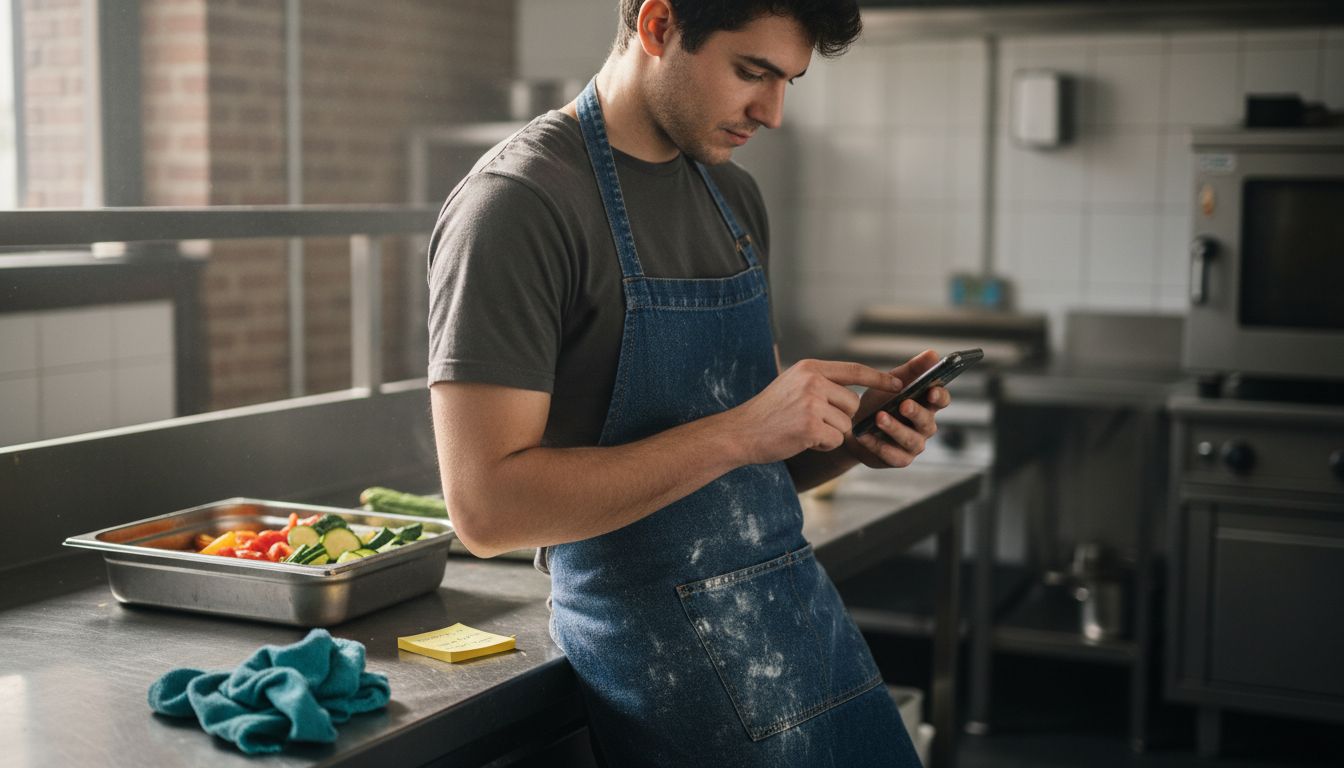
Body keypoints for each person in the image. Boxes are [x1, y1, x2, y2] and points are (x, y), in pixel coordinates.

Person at [427, 1, 950, 764]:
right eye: (752, 72)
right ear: (657, 25)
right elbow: (487, 510)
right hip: (659, 663)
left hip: (798, 625)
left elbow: (740, 475)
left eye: (788, 83)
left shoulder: (731, 196)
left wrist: (843, 440)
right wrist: (745, 430)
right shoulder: (520, 205)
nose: (769, 112)